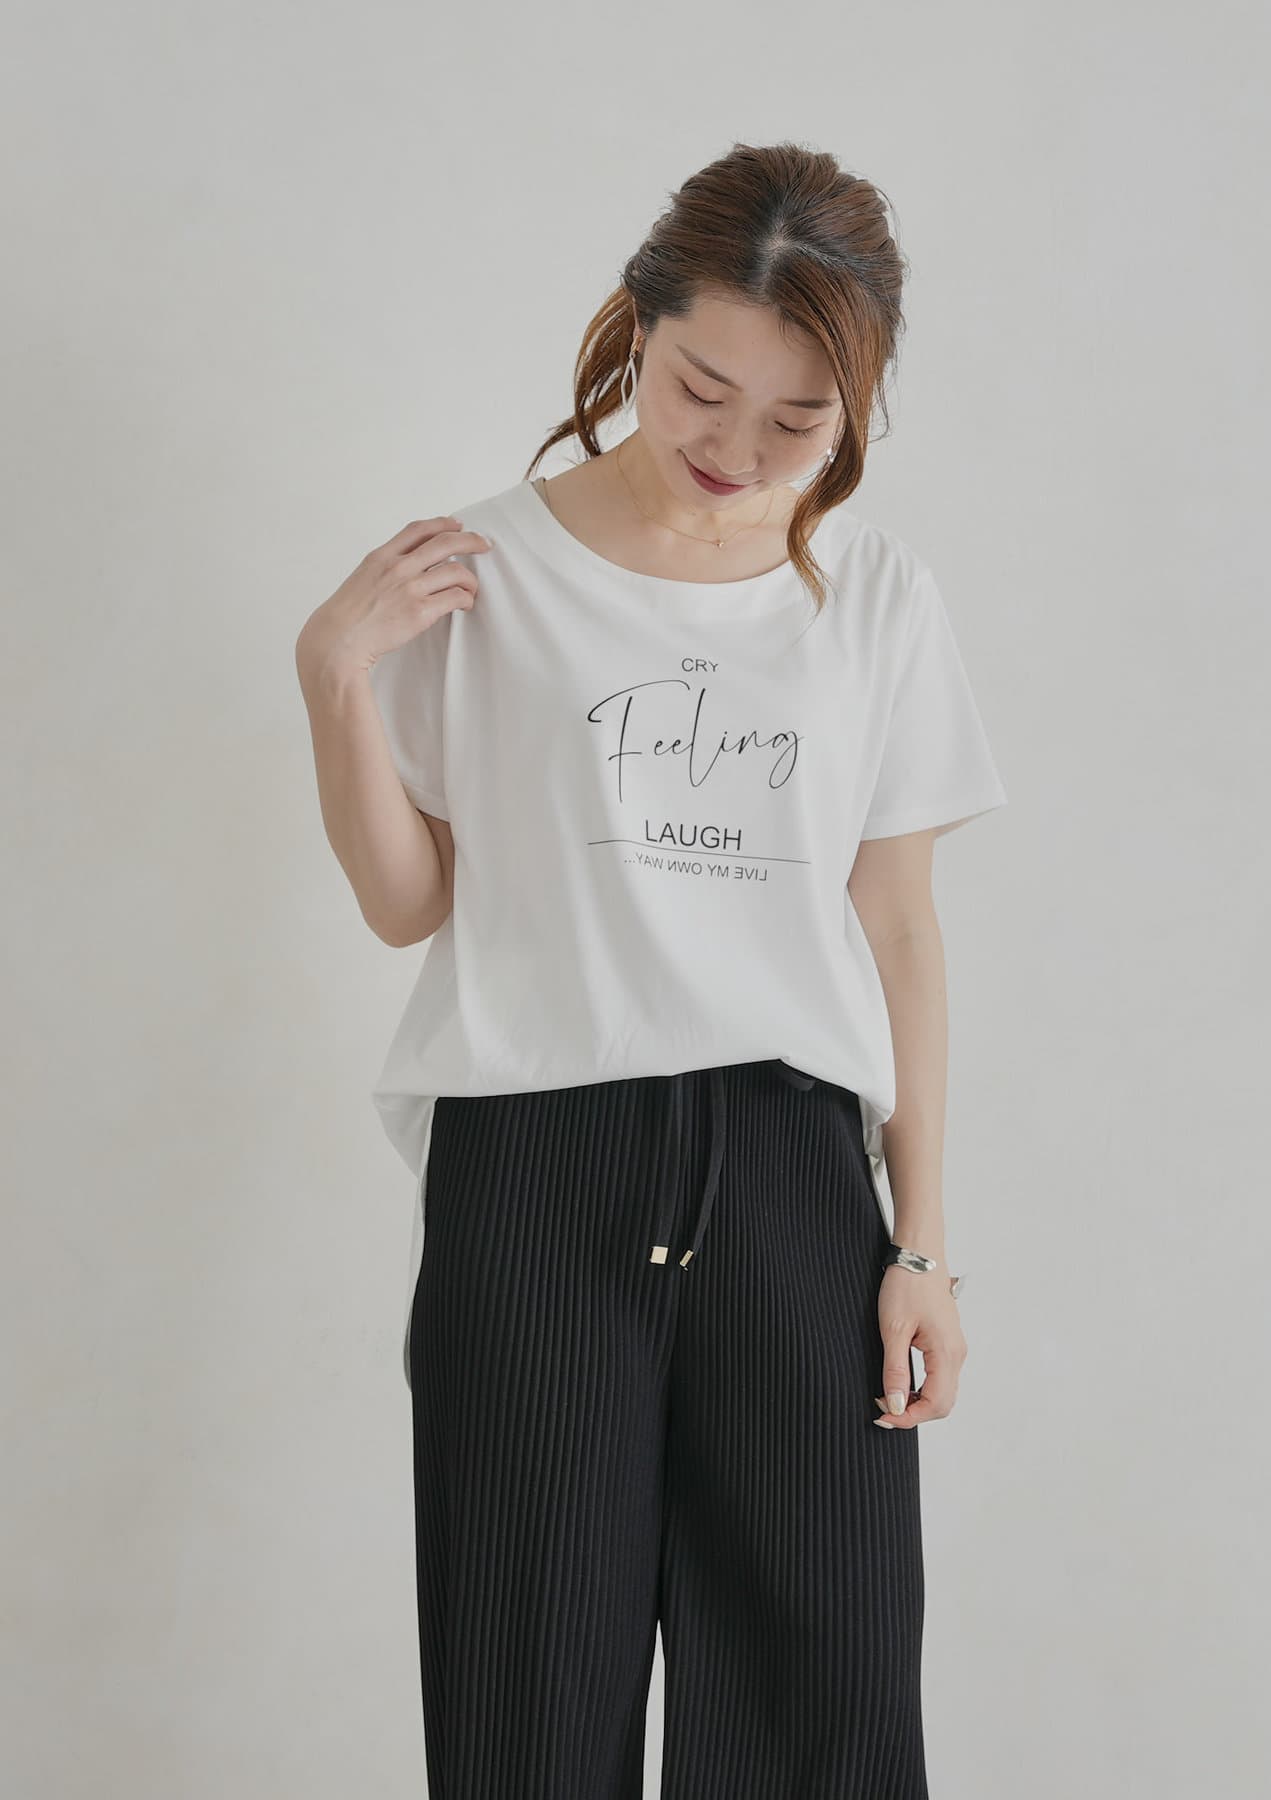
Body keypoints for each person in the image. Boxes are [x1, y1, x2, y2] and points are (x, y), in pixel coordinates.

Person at [295, 140, 1008, 1800]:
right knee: (528, 1711)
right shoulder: (482, 573)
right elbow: (408, 905)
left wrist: (921, 1246)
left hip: (793, 1184)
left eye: (799, 421)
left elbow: (899, 926)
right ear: (636, 328)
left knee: (823, 1719)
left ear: (856, 408)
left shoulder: (875, 598)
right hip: (535, 1176)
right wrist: (335, 680)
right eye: (702, 388)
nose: (735, 451)